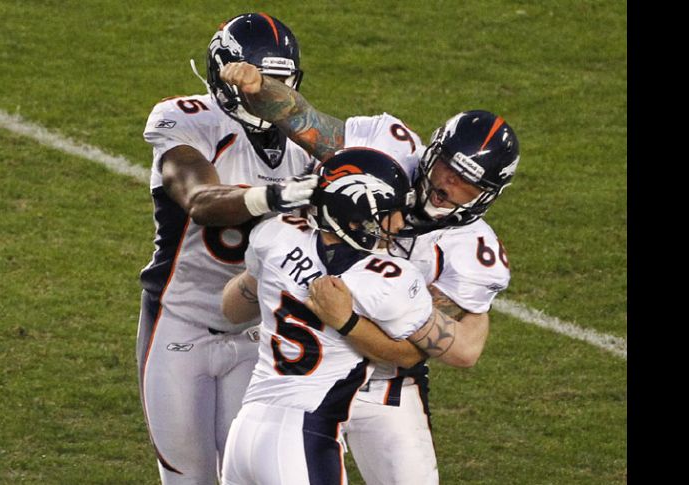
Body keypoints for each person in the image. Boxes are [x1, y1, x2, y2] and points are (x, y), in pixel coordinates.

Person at [219, 61, 520, 484]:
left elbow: (461, 349)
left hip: (386, 386)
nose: (448, 186)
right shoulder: (387, 147)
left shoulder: (472, 250)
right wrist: (259, 85)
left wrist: (336, 307)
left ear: (486, 195)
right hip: (306, 372)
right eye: (448, 169)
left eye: (466, 184)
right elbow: (303, 119)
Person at [137, 14, 319, 484]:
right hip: (181, 324)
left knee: (253, 474)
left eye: (281, 81)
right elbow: (200, 202)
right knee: (189, 478)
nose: (269, 92)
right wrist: (278, 196)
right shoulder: (187, 118)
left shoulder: (303, 140)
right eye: (260, 79)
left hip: (257, 334)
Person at [220, 148, 433, 485]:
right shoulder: (390, 278)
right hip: (304, 437)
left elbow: (231, 308)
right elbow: (409, 355)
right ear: (355, 216)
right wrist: (347, 322)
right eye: (389, 213)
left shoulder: (278, 234)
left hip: (245, 430)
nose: (399, 223)